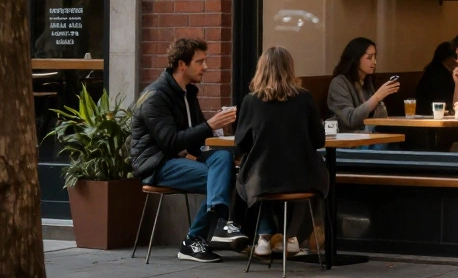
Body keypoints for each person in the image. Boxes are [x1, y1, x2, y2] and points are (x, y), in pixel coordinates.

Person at [130, 38, 247, 263]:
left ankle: (212, 228)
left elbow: (197, 141)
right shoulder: (156, 97)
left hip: (178, 159)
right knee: (222, 177)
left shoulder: (187, 93)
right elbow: (171, 142)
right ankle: (201, 236)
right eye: (200, 61)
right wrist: (211, 124)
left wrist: (224, 139)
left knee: (224, 160)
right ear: (182, 65)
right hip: (157, 164)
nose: (205, 67)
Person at [235, 47, 328, 258]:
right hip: (302, 178)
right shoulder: (304, 98)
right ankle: (292, 237)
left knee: (250, 179)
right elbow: (318, 140)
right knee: (303, 178)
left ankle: (263, 237)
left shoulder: (251, 101)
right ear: (290, 69)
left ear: (261, 70)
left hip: (263, 179)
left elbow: (241, 145)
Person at [327, 37, 398, 133]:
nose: (374, 62)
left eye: (375, 57)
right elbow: (350, 119)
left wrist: (380, 101)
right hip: (347, 142)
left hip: (369, 138)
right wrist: (376, 98)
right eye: (369, 57)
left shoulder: (368, 82)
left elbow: (381, 119)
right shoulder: (339, 83)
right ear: (356, 59)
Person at [415, 42, 456, 108]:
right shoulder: (437, 72)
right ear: (448, 58)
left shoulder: (434, 67)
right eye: (457, 56)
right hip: (430, 109)